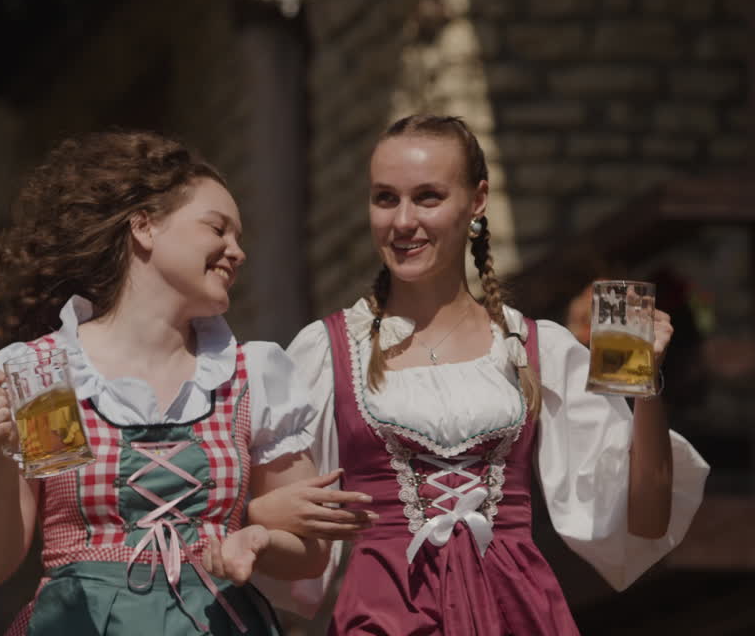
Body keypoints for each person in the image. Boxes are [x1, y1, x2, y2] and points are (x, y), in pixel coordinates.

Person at [252, 115, 710, 634]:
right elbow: (286, 530)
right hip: (386, 615)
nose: (402, 221)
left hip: (516, 613)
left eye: (427, 197)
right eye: (385, 198)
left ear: (478, 200)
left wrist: (645, 378)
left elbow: (644, 521)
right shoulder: (325, 350)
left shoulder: (539, 347)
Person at [0, 131, 345, 635]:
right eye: (217, 229)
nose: (236, 251)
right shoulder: (50, 377)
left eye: (239, 237)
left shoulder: (249, 376)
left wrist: (256, 537)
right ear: (145, 227)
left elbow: (311, 553)